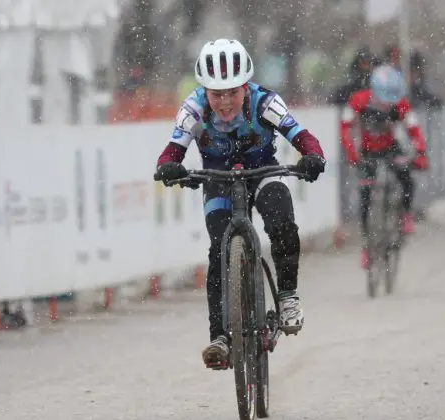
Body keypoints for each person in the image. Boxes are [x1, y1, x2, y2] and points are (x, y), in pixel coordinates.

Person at [153, 39, 326, 370]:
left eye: (232, 92)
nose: (225, 102)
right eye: (216, 94)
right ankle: (219, 336)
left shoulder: (265, 102)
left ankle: (288, 297)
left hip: (262, 171)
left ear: (245, 86)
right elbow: (172, 150)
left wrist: (312, 156)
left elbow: (300, 135)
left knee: (282, 225)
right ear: (205, 91)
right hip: (218, 178)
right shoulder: (194, 109)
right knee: (219, 249)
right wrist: (169, 167)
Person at [339, 64, 429, 269]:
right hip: (367, 151)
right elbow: (345, 127)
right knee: (365, 195)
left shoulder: (402, 105)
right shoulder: (359, 100)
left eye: (392, 99)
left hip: (391, 148)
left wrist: (421, 153)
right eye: (383, 99)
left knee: (406, 177)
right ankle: (367, 245)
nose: (388, 104)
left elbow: (414, 129)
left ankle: (405, 215)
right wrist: (351, 152)